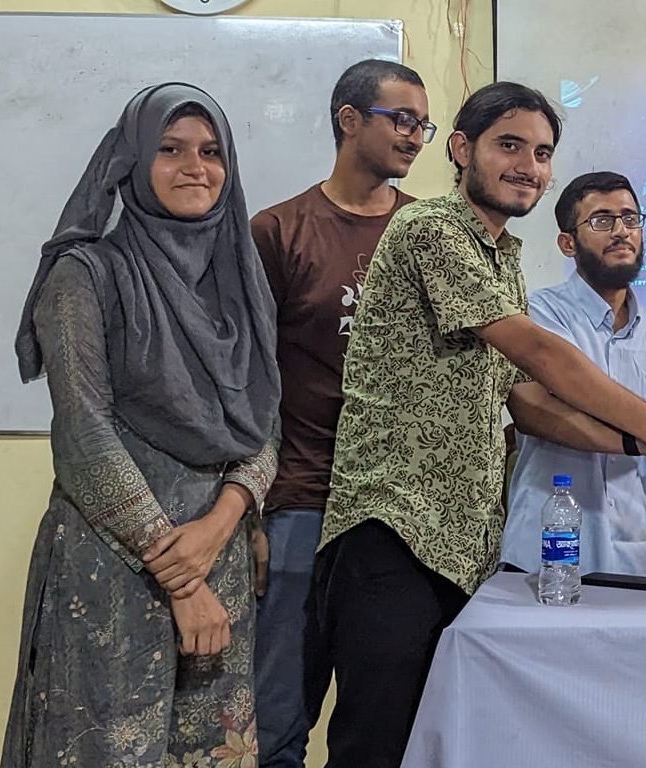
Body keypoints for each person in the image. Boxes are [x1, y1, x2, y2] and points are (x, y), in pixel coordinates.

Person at [311, 81, 646, 767]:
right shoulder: (432, 229)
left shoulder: (501, 257)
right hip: (392, 526)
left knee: (449, 743)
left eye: (540, 152)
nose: (528, 166)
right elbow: (539, 356)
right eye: (509, 145)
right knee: (377, 744)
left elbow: (528, 398)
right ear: (460, 148)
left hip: (463, 541)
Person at [3, 83, 280, 767]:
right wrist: (181, 578)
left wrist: (223, 524)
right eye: (170, 150)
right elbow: (84, 434)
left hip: (218, 560)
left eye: (211, 152)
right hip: (116, 570)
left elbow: (266, 420)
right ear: (131, 162)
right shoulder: (85, 275)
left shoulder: (238, 282)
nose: (195, 168)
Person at [248, 59, 432, 768]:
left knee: (381, 730)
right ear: (349, 120)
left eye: (424, 124)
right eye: (401, 118)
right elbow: (247, 380)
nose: (414, 136)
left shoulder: (428, 233)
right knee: (276, 725)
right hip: (301, 502)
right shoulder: (279, 231)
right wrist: (249, 509)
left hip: (394, 514)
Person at [502, 171, 646, 575]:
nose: (621, 231)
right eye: (602, 220)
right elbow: (544, 411)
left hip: (631, 545)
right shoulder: (539, 315)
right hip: (545, 545)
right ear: (567, 243)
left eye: (630, 218)